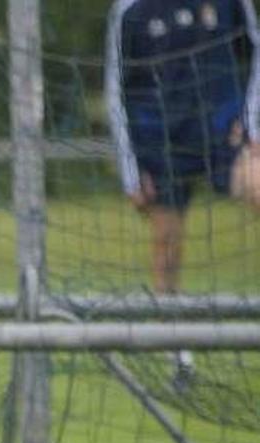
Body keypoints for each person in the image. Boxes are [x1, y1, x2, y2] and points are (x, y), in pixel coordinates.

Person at [106, 0, 259, 380]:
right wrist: (130, 171)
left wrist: (253, 124)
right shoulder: (129, 10)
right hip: (160, 142)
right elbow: (115, 90)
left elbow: (256, 51)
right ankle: (180, 353)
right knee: (167, 246)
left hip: (225, 133)